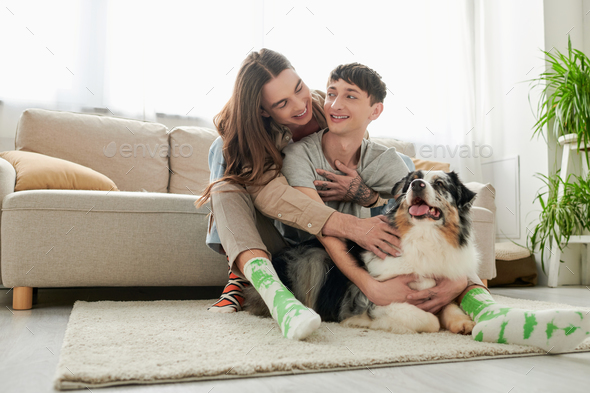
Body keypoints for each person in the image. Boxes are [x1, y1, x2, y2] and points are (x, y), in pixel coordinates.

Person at [280, 62, 590, 352]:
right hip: (331, 248)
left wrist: (366, 195)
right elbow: (319, 223)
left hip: (373, 245)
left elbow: (426, 212)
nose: (335, 104)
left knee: (442, 248)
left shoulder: (389, 162)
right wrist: (371, 287)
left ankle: (498, 316)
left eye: (350, 96)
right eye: (331, 94)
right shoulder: (300, 155)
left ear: (376, 110)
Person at [196, 49, 428, 340]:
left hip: (334, 217)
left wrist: (366, 195)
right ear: (263, 111)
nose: (299, 105)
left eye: (298, 87)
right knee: (224, 177)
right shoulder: (250, 138)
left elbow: (361, 152)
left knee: (404, 167)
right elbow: (273, 194)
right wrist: (351, 227)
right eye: (282, 103)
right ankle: (247, 275)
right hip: (284, 230)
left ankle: (462, 283)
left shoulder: (328, 105)